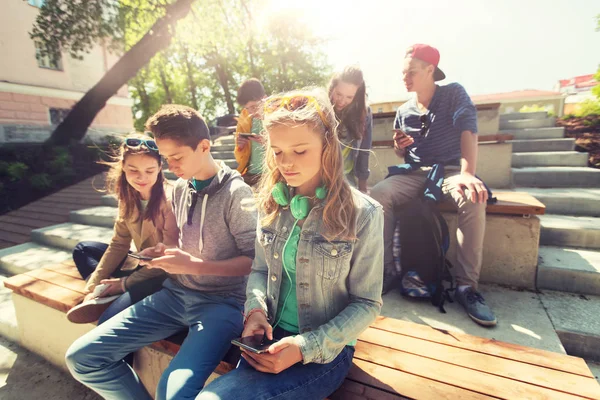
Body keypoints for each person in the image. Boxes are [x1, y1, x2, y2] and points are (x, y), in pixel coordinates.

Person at [197, 89, 384, 400]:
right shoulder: (272, 203)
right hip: (268, 340)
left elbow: (367, 304)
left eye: (300, 151)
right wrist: (255, 312)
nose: (286, 163)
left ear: (328, 146)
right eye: (278, 151)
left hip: (323, 351)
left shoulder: (363, 214)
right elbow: (259, 270)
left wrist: (302, 348)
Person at [65, 105, 258, 399]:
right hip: (174, 295)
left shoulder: (236, 193)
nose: (170, 165)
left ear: (204, 146)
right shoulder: (180, 188)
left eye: (177, 157)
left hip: (222, 305)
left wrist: (195, 266)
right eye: (166, 158)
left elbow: (255, 262)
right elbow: (177, 242)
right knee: (81, 358)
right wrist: (163, 251)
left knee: (172, 392)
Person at [370, 44, 497, 327]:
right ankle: (389, 272)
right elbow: (403, 155)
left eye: (411, 72)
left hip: (452, 169)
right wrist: (398, 147)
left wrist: (468, 173)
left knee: (473, 196)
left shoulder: (453, 94)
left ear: (431, 70)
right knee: (378, 195)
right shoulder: (403, 110)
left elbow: (469, 131)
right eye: (403, 73)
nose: (405, 78)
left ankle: (467, 288)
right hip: (416, 172)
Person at [67, 136, 178, 324]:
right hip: (138, 263)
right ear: (123, 167)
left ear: (160, 168)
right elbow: (118, 244)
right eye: (133, 170)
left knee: (107, 322)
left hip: (162, 274)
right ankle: (104, 294)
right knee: (83, 249)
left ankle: (116, 294)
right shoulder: (128, 197)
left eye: (149, 170)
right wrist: (93, 284)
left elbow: (168, 258)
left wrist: (124, 284)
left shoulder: (171, 200)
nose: (141, 177)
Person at [328, 66, 373, 192]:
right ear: (332, 89)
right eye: (338, 94)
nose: (342, 101)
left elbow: (364, 151)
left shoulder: (365, 114)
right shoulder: (322, 110)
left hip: (348, 180)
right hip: (323, 179)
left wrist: (363, 188)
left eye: (349, 97)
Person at [234, 78, 267, 186]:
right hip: (250, 174)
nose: (251, 112)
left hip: (271, 174)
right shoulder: (244, 117)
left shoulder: (276, 116)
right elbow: (239, 158)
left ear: (264, 98)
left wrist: (269, 143)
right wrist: (240, 147)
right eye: (247, 108)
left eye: (254, 106)